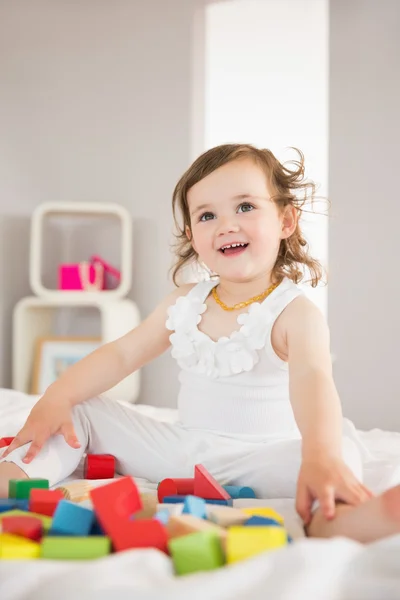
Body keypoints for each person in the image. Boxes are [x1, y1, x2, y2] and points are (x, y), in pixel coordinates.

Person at [1, 143, 400, 543]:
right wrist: (57, 393)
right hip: (180, 453)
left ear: (286, 220)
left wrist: (319, 453)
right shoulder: (185, 302)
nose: (226, 224)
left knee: (341, 452)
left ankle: (341, 519)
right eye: (208, 215)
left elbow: (313, 380)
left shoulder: (294, 313)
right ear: (193, 236)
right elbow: (123, 354)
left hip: (263, 458)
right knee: (79, 408)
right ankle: (15, 479)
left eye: (245, 207)